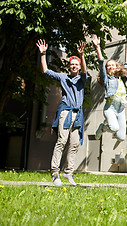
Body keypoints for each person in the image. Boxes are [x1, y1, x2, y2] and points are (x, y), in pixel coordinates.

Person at [37, 39, 88, 186]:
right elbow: (45, 71)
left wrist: (82, 55)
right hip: (65, 112)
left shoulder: (82, 79)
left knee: (74, 144)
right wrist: (43, 54)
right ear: (69, 66)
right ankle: (54, 172)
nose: (74, 66)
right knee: (62, 141)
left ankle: (68, 172)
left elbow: (85, 70)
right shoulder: (63, 77)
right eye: (72, 64)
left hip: (77, 114)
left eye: (76, 64)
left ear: (78, 67)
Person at [92, 36, 127, 141]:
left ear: (116, 67)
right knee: (114, 128)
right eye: (108, 66)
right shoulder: (106, 79)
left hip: (121, 109)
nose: (110, 67)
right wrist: (97, 47)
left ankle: (107, 128)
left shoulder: (120, 77)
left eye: (112, 65)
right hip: (110, 107)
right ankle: (102, 128)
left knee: (121, 137)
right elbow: (101, 63)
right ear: (106, 69)